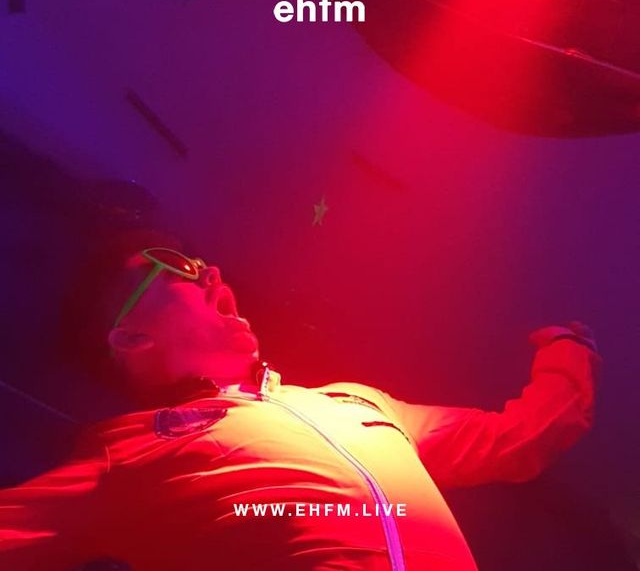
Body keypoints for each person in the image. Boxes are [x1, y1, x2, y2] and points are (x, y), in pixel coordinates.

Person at [0, 243, 600, 571]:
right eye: (175, 266)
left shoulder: (359, 401)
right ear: (131, 337)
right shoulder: (128, 453)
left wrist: (567, 353)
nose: (210, 270)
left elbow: (516, 439)